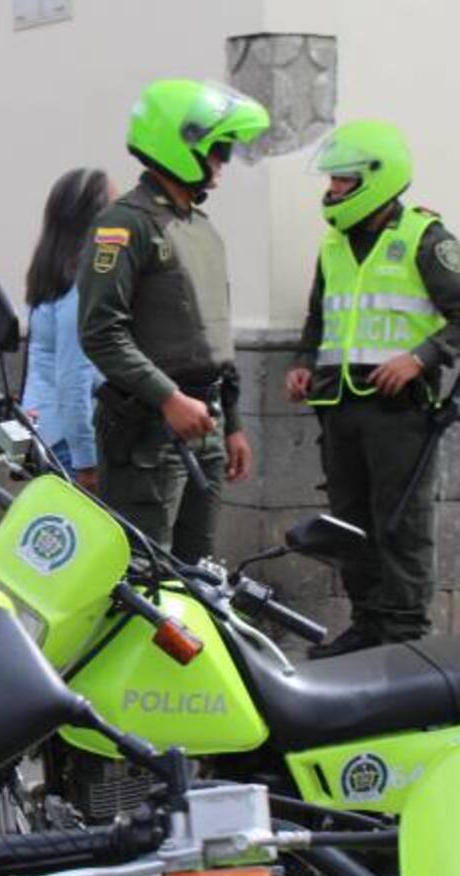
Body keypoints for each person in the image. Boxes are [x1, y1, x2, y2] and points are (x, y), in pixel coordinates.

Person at [286, 121, 460, 658]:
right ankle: (366, 626)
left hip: (398, 413)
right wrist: (302, 362)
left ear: (377, 180)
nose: (333, 189)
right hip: (338, 407)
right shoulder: (334, 244)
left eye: (344, 180)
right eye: (333, 179)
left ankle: (405, 640)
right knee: (349, 524)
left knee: (401, 525)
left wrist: (419, 358)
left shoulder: (426, 238)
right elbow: (318, 319)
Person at [78, 79, 268, 562]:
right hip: (149, 430)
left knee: (197, 573)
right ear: (180, 145)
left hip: (205, 421)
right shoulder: (124, 224)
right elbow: (101, 333)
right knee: (144, 573)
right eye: (218, 149)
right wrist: (168, 397)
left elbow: (212, 337)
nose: (224, 161)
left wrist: (232, 423)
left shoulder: (201, 229)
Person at [21, 168, 115, 494]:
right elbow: (73, 380)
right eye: (115, 206)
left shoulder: (55, 272)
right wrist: (86, 461)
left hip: (48, 429)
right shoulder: (79, 286)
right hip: (67, 441)